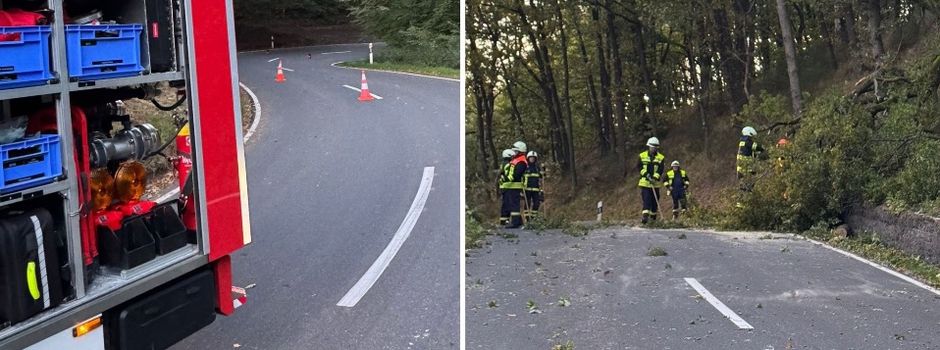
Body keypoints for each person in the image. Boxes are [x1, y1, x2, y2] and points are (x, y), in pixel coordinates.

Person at [637, 137, 665, 224]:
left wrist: (654, 177)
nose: (654, 149)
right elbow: (639, 167)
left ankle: (653, 219)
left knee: (654, 201)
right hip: (645, 183)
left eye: (655, 147)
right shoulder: (642, 156)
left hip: (655, 184)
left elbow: (660, 170)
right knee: (647, 199)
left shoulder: (661, 158)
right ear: (649, 146)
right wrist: (646, 175)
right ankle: (645, 218)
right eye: (652, 147)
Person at [503, 141, 528, 228]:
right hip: (511, 185)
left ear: (520, 151)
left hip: (515, 185)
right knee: (512, 204)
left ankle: (515, 222)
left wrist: (508, 178)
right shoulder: (517, 159)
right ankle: (518, 221)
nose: (514, 152)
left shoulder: (521, 161)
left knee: (514, 205)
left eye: (516, 151)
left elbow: (517, 174)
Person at [736, 126, 764, 191]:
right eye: (752, 137)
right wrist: (763, 149)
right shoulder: (747, 141)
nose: (752, 139)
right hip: (746, 171)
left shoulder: (742, 142)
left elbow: (750, 152)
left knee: (743, 189)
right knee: (748, 189)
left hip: (741, 171)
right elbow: (756, 147)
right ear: (749, 134)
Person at [523, 151, 544, 220]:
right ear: (528, 158)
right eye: (531, 158)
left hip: (536, 189)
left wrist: (543, 170)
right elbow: (521, 177)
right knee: (527, 204)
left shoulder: (537, 168)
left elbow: (542, 177)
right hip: (527, 189)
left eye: (533, 158)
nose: (532, 159)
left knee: (537, 203)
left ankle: (533, 217)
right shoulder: (525, 167)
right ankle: (527, 218)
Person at [497, 149, 515, 226]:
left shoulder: (503, 164)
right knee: (507, 204)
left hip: (503, 187)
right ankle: (505, 220)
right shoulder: (508, 165)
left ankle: (503, 220)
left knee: (505, 204)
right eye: (512, 156)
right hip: (507, 187)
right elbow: (508, 176)